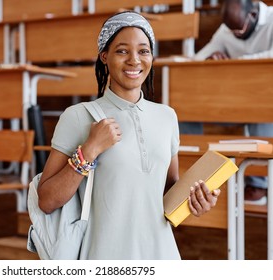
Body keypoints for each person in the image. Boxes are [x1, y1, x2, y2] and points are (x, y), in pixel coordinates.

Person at [37, 11, 220, 259]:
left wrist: (197, 202)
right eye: (122, 51)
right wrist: (89, 150)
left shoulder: (167, 117)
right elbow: (46, 201)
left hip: (162, 256)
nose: (135, 60)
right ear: (104, 56)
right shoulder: (78, 117)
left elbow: (167, 194)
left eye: (144, 51)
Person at [182, 0, 273, 205]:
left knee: (265, 108)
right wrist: (212, 58)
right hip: (233, 98)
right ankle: (191, 178)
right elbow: (200, 57)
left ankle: (259, 185)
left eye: (238, 30)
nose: (235, 34)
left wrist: (236, 62)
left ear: (252, 15)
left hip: (265, 99)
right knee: (185, 110)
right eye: (231, 31)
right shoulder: (228, 28)